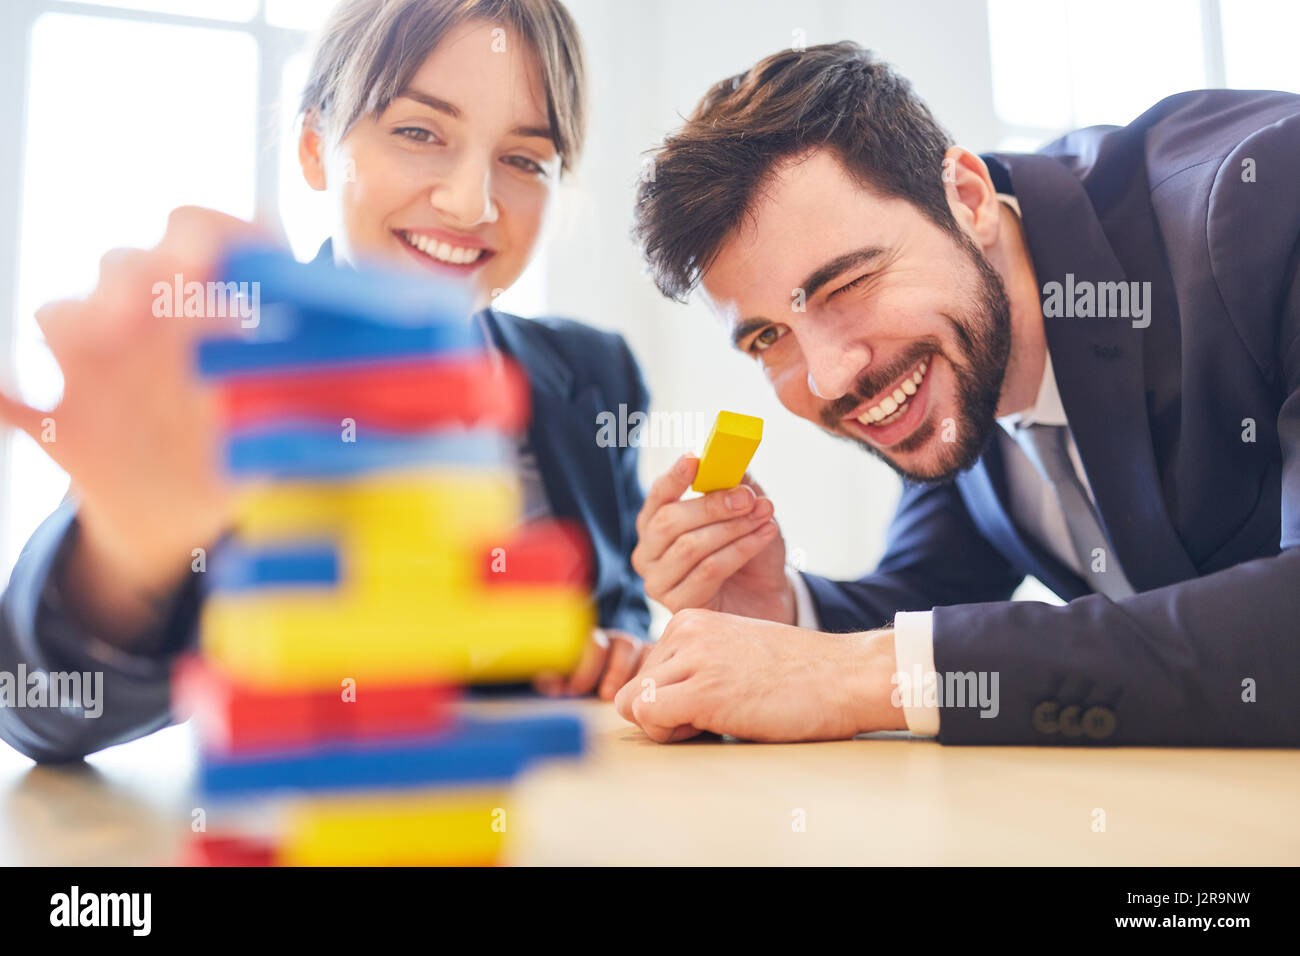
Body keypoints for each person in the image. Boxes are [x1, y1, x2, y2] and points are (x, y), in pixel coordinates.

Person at [0, 0, 649, 763]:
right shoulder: (219, 371)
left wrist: (615, 650)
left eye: (525, 159)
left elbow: (621, 608)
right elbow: (47, 717)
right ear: (314, 146)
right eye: (418, 132)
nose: (471, 202)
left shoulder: (595, 374)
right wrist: (127, 561)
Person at [620, 41, 1300, 746]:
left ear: (967, 199)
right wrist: (778, 611)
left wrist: (868, 676)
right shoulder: (951, 364)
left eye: (847, 285)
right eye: (767, 338)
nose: (830, 376)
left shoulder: (1269, 196)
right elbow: (933, 595)